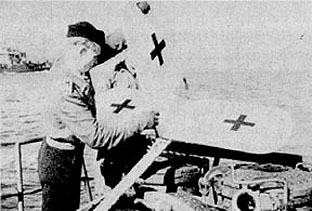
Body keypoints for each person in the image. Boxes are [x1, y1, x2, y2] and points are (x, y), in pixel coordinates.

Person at [38, 21, 159, 211]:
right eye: (94, 59)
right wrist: (142, 122)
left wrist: (136, 20)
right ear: (82, 52)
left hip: (69, 156)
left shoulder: (71, 60)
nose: (96, 63)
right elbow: (97, 137)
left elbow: (106, 47)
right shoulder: (66, 90)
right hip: (59, 163)